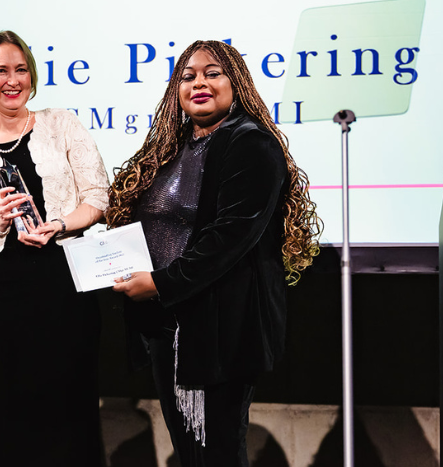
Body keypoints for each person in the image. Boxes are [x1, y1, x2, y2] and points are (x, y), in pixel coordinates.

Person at [108, 40, 323, 466]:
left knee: (217, 452)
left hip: (220, 329)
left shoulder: (251, 144)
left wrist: (159, 283)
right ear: (176, 90)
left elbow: (229, 238)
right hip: (166, 328)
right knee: (190, 451)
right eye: (188, 76)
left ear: (236, 82)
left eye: (212, 73)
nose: (199, 83)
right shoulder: (170, 147)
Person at [0, 30, 109, 467]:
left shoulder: (61, 123)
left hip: (65, 285)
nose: (12, 80)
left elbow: (98, 196)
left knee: (72, 411)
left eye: (21, 70)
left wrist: (59, 225)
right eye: (0, 71)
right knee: (7, 417)